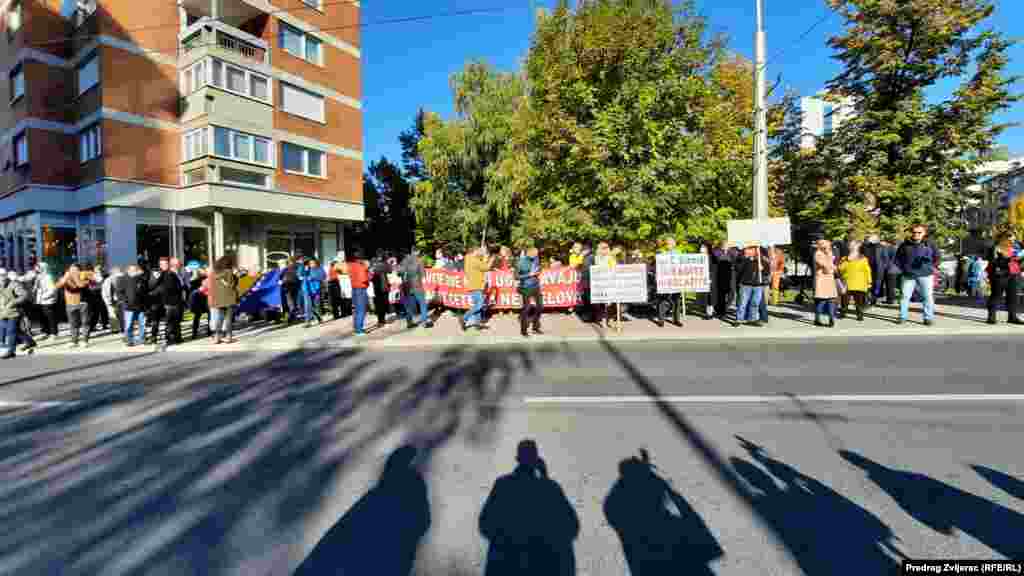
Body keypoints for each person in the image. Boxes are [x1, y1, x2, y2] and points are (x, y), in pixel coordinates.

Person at [479, 440, 579, 576]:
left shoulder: (503, 486)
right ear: (536, 460)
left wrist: (505, 543)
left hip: (506, 566)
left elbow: (485, 524)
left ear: (517, 459)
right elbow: (571, 526)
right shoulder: (549, 489)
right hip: (542, 566)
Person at [895, 224, 940, 326]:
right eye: (914, 232)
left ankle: (928, 318)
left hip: (926, 275)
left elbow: (937, 257)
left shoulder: (930, 244)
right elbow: (897, 259)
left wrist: (931, 267)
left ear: (924, 233)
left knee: (927, 297)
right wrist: (904, 269)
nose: (916, 234)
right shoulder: (905, 244)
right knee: (904, 296)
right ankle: (902, 316)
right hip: (908, 275)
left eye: (919, 232)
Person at [150, 256, 187, 349]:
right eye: (179, 264)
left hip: (177, 301)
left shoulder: (176, 274)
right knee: (170, 322)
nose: (180, 266)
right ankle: (170, 338)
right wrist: (182, 287)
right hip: (170, 302)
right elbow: (170, 288)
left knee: (176, 321)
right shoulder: (168, 274)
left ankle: (178, 338)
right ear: (174, 265)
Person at [986, 231, 1022, 325]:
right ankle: (991, 316)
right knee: (996, 295)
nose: (1012, 239)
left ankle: (1012, 316)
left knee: (1013, 296)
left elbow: (1019, 261)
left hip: (1014, 274)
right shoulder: (995, 248)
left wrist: (1020, 261)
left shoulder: (1016, 248)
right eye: (1010, 237)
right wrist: (1007, 260)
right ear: (1003, 238)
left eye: (1013, 238)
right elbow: (993, 262)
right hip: (1000, 275)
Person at [55, 263, 92, 348]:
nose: (72, 271)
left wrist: (76, 277)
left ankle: (85, 340)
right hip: (70, 304)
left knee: (85, 323)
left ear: (79, 270)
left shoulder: (85, 276)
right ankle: (74, 341)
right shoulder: (66, 278)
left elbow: (80, 285)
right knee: (73, 324)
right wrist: (65, 277)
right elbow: (57, 286)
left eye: (75, 270)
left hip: (83, 303)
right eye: (71, 270)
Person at [207, 255, 240, 343]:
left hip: (219, 299)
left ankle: (217, 337)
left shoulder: (215, 273)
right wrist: (236, 276)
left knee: (219, 318)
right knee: (228, 318)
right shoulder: (228, 272)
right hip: (229, 298)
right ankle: (228, 337)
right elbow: (232, 285)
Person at [735, 245, 769, 327]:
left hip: (758, 285)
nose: (747, 251)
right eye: (747, 249)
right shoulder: (744, 259)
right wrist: (745, 259)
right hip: (746, 284)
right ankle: (739, 319)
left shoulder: (761, 260)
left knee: (755, 303)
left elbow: (767, 272)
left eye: (750, 249)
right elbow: (738, 269)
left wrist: (763, 269)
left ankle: (752, 319)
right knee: (742, 302)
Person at [839, 240, 872, 322]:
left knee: (856, 300)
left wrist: (869, 282)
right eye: (850, 246)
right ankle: (847, 313)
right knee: (847, 299)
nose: (850, 247)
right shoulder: (845, 258)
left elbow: (867, 271)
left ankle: (857, 314)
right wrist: (846, 260)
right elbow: (840, 269)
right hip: (849, 282)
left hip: (857, 283)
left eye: (852, 246)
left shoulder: (863, 258)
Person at [117, 264, 150, 347]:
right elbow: (119, 292)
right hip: (129, 307)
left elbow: (145, 292)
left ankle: (142, 339)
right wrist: (126, 301)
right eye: (132, 270)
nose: (134, 271)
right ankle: (129, 340)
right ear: (128, 270)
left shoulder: (141, 279)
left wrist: (145, 303)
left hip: (141, 306)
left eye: (135, 270)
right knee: (128, 325)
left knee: (142, 324)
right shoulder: (122, 279)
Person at [463, 245, 493, 331]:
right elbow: (486, 267)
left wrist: (483, 254)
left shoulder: (468, 258)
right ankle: (465, 318)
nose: (479, 253)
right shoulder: (475, 260)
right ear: (474, 252)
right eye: (478, 251)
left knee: (477, 305)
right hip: (476, 285)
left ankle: (477, 323)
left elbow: (481, 261)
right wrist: (491, 259)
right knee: (479, 305)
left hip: (473, 285)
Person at [0, 271, 29, 359]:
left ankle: (11, 351)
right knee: (14, 330)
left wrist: (13, 302)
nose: (1, 279)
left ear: (6, 276)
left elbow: (24, 295)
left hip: (13, 312)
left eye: (2, 276)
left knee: (11, 331)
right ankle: (29, 341)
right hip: (2, 312)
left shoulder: (13, 284)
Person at [399, 249, 431, 329]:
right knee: (422, 303)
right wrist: (426, 288)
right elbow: (423, 276)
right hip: (417, 286)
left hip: (407, 286)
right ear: (417, 252)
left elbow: (399, 273)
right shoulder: (419, 261)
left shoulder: (404, 261)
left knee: (409, 305)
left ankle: (409, 322)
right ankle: (424, 321)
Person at [517, 246, 544, 337]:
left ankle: (535, 327)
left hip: (536, 286)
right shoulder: (521, 262)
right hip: (526, 287)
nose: (536, 256)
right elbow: (516, 276)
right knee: (527, 308)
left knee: (540, 306)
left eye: (537, 254)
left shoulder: (536, 259)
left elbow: (538, 268)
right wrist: (529, 274)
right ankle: (523, 330)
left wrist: (538, 271)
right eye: (535, 254)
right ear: (529, 253)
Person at [656, 237, 683, 327]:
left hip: (676, 279)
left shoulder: (679, 253)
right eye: (667, 243)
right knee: (663, 299)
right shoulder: (661, 252)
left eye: (671, 243)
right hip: (665, 280)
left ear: (674, 244)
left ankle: (676, 320)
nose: (669, 245)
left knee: (676, 300)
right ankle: (661, 320)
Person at [813, 239, 838, 327]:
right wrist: (831, 265)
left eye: (828, 246)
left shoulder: (830, 253)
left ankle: (831, 318)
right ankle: (817, 318)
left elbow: (832, 266)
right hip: (822, 279)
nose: (828, 247)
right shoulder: (818, 254)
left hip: (829, 279)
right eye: (826, 245)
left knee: (831, 299)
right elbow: (826, 267)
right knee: (821, 300)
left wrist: (833, 266)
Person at [32, 262, 58, 341]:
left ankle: (53, 333)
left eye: (38, 267)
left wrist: (44, 297)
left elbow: (52, 289)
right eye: (36, 267)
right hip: (40, 300)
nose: (36, 269)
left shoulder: (48, 277)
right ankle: (45, 332)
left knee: (50, 317)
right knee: (42, 317)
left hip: (47, 300)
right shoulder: (39, 276)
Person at [347, 252, 370, 336]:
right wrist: (368, 275)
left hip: (354, 288)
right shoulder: (361, 266)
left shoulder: (351, 265)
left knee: (356, 310)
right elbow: (363, 278)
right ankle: (359, 330)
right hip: (361, 288)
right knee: (361, 310)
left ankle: (356, 327)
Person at [301, 258, 325, 327]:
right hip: (307, 289)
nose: (311, 264)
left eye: (313, 263)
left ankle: (319, 318)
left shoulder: (319, 269)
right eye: (310, 263)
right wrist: (303, 267)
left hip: (316, 289)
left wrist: (313, 277)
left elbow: (323, 276)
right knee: (307, 305)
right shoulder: (306, 269)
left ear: (316, 263)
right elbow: (299, 274)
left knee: (316, 305)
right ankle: (307, 322)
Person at [370, 250, 391, 327]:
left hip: (384, 285)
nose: (380, 256)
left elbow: (390, 270)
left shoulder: (385, 262)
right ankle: (380, 320)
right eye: (379, 254)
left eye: (381, 254)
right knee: (379, 303)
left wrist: (386, 263)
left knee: (384, 303)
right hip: (377, 286)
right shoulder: (373, 261)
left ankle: (382, 319)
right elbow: (372, 271)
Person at [188, 268, 209, 339]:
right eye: (202, 272)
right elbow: (191, 291)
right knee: (198, 316)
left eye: (204, 272)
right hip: (199, 301)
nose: (203, 273)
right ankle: (195, 332)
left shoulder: (206, 279)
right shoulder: (194, 281)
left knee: (207, 316)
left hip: (205, 300)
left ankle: (208, 331)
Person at [102, 266, 124, 336]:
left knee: (119, 314)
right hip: (111, 300)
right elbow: (106, 292)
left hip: (118, 300)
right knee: (113, 314)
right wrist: (108, 301)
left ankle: (120, 328)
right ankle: (115, 329)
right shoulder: (108, 280)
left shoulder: (118, 279)